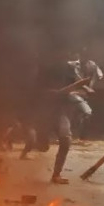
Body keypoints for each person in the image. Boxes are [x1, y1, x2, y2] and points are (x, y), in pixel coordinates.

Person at [22, 50, 80, 184]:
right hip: (43, 112)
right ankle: (35, 143)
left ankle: (56, 174)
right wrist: (55, 93)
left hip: (60, 111)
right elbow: (35, 91)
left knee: (65, 140)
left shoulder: (69, 69)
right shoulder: (44, 69)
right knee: (42, 146)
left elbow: (75, 87)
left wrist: (77, 92)